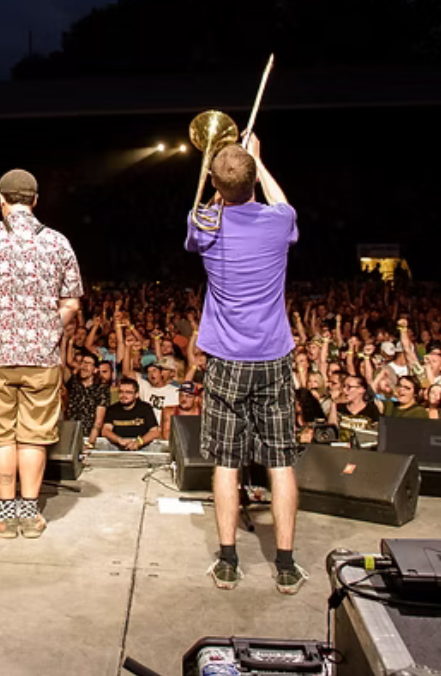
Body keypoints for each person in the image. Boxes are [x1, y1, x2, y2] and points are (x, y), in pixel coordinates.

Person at [185, 134, 306, 594]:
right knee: (279, 463)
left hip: (227, 361)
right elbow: (282, 200)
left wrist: (222, 175)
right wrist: (257, 158)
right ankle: (287, 565)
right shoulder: (280, 221)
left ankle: (229, 561)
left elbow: (212, 207)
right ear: (255, 178)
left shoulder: (203, 223)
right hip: (273, 356)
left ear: (216, 184)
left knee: (227, 463)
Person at [0, 169, 84, 539]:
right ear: (35, 200)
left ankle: (5, 515)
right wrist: (46, 327)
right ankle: (30, 515)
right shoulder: (58, 242)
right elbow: (72, 302)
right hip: (41, 357)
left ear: (2, 201)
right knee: (33, 436)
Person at [98, 378, 161, 451]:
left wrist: (139, 442)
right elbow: (105, 431)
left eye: (128, 392)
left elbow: (155, 431)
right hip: (118, 450)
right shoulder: (112, 409)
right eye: (121, 392)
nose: (124, 395)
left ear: (136, 394)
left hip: (142, 449)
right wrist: (119, 440)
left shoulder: (145, 408)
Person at [64, 350, 110, 445]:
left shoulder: (101, 388)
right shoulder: (73, 383)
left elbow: (99, 420)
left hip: (88, 435)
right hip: (70, 433)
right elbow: (63, 366)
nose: (84, 366)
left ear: (95, 369)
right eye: (83, 363)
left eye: (88, 363)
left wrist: (91, 441)